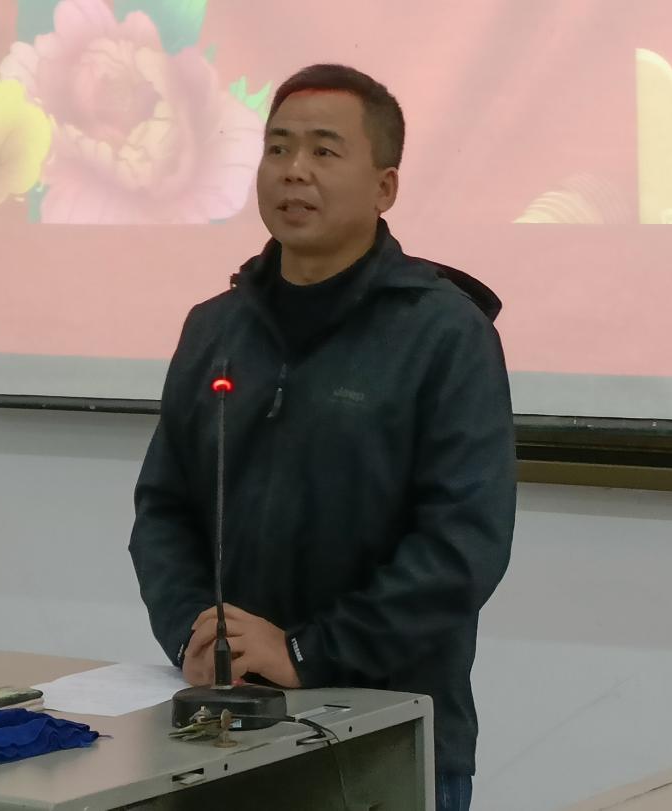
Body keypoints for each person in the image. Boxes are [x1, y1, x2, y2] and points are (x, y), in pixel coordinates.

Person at [130, 63, 516, 810]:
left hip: (387, 736)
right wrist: (192, 637)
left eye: (323, 150)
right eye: (277, 148)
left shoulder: (444, 333)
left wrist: (307, 652)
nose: (293, 170)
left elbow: (463, 545)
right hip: (222, 732)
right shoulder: (214, 328)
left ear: (385, 187)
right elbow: (164, 510)